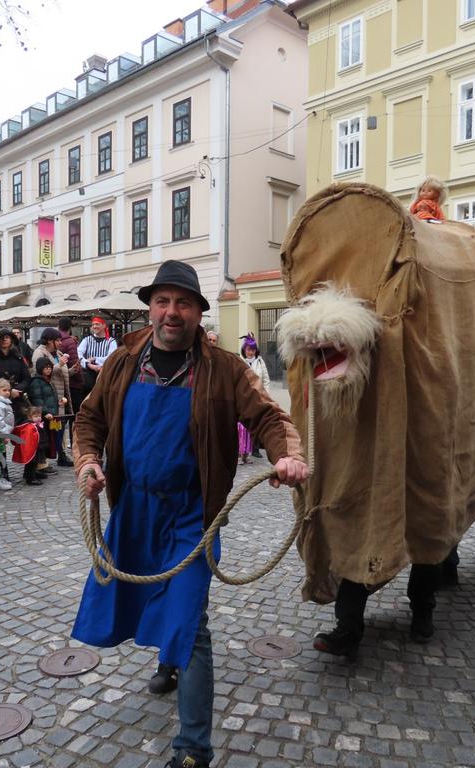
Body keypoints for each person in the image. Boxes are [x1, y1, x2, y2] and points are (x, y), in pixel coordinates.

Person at [72, 259, 308, 768]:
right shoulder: (122, 362)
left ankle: (193, 747)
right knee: (150, 601)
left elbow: (269, 417)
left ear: (199, 312)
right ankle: (167, 662)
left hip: (191, 517)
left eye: (183, 303)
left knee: (191, 624)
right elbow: (89, 418)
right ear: (151, 308)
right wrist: (89, 461)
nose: (171, 312)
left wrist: (286, 454)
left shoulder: (225, 369)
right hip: (133, 510)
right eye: (162, 301)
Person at [32, 328, 73, 466]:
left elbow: (58, 371)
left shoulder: (58, 353)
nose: (60, 343)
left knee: (59, 427)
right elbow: (43, 371)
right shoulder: (39, 353)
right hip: (49, 397)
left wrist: (72, 370)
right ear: (49, 340)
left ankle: (60, 454)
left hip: (60, 395)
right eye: (58, 340)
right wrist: (60, 364)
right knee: (50, 429)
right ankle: (47, 459)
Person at [28, 356, 64, 472]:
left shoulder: (49, 381)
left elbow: (50, 398)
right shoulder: (36, 382)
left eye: (50, 367)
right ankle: (41, 464)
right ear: (40, 368)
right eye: (46, 367)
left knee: (50, 440)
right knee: (43, 441)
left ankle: (45, 463)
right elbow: (37, 399)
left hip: (52, 417)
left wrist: (58, 403)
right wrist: (46, 412)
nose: (48, 370)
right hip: (43, 418)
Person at [239, 333, 270, 461]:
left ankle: (255, 449)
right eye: (248, 349)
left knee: (257, 423)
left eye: (252, 350)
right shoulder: (240, 361)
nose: (250, 352)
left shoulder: (260, 361)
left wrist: (266, 395)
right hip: (244, 398)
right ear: (244, 350)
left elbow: (266, 379)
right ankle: (241, 451)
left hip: (258, 397)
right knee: (242, 425)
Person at [0, 329, 31, 397]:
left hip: (17, 395)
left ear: (11, 340)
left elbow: (27, 379)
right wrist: (7, 391)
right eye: (2, 337)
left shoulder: (18, 357)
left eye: (7, 337)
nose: (4, 340)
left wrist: (16, 389)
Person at [77, 316, 117, 396]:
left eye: (97, 324)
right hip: (88, 376)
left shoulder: (111, 341)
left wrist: (95, 359)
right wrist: (88, 364)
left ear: (104, 326)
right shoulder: (87, 340)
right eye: (93, 324)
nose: (94, 326)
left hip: (105, 375)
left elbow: (112, 357)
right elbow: (78, 353)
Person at [57, 317, 84, 415]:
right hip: (72, 383)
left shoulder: (55, 340)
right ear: (69, 328)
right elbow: (74, 363)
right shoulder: (70, 341)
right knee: (75, 413)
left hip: (58, 382)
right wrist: (81, 380)